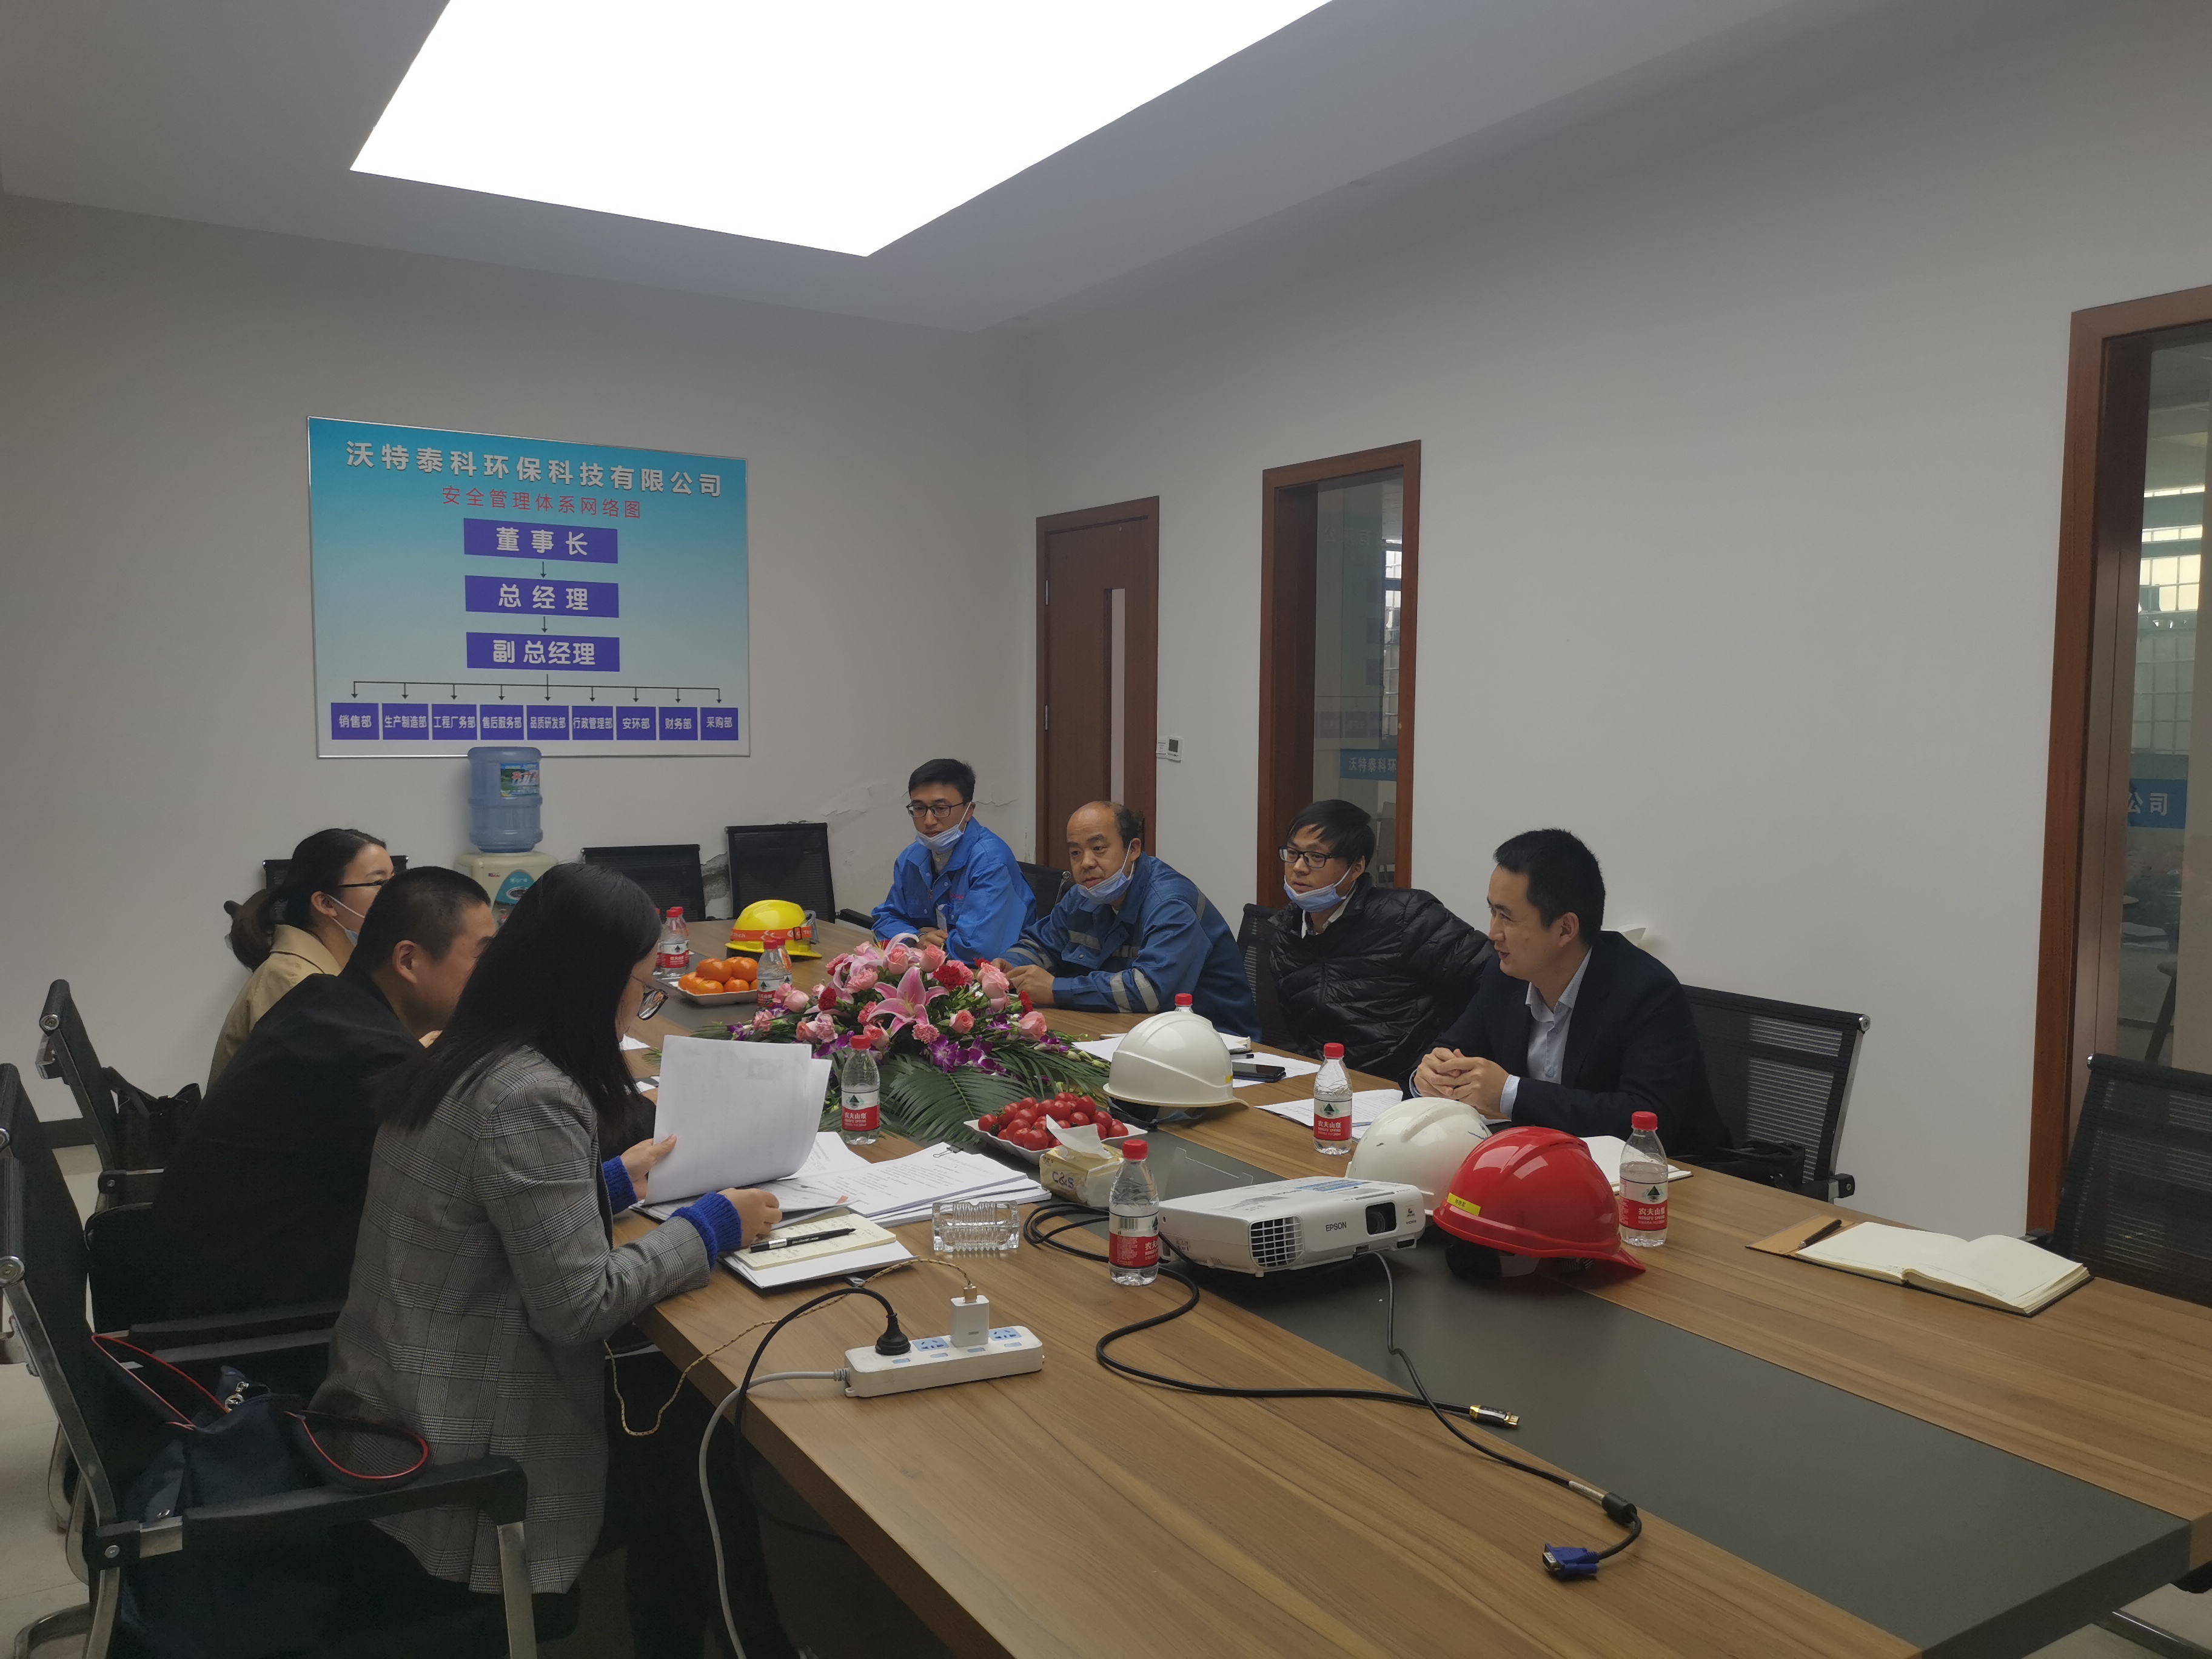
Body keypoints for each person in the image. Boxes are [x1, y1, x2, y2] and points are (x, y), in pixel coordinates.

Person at [314, 862, 794, 1659]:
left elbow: (485, 1210)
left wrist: (609, 1183)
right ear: (591, 983)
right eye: (642, 986)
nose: (641, 1003)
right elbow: (578, 1306)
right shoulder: (531, 1095)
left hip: (393, 1402)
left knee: (675, 1415)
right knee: (698, 1439)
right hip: (459, 1453)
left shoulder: (467, 1052)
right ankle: (750, 1644)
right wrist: (712, 1225)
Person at [153, 866, 498, 1319]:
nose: (494, 976)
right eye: (483, 957)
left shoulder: (326, 1000)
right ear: (409, 961)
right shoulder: (368, 1056)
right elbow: (462, 1195)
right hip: (251, 1319)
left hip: (213, 1274)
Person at [1412, 828, 1729, 1150]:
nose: (1493, 933)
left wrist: (1510, 1093)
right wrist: (1428, 1077)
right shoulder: (1505, 975)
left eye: (1507, 917)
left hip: (1670, 1173)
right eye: (1492, 911)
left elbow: (1647, 1120)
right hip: (1542, 1160)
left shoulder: (1648, 991)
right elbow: (1449, 1050)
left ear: (1565, 929)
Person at [1267, 800, 1492, 1084]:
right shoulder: (1287, 932)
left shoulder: (1407, 916)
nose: (1299, 868)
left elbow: (1495, 975)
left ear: (1356, 867)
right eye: (1293, 854)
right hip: (1327, 1081)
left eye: (1316, 857)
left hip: (1406, 1083)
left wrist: (1446, 1051)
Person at [999, 802, 1261, 1034]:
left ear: (1133, 849)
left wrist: (1057, 990)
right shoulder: (1084, 895)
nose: (1086, 863)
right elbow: (1042, 944)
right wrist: (1009, 967)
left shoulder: (1170, 903)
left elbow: (1151, 991)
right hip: (1128, 1030)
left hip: (1217, 1042)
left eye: (1098, 848)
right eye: (1076, 853)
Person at [209, 828, 393, 1087]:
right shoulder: (293, 981)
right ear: (326, 903)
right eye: (379, 884)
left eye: (395, 881)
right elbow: (342, 1081)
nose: (397, 896)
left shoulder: (340, 970)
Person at [871, 757, 1035, 960]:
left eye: (941, 809)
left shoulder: (990, 861)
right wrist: (917, 937)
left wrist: (928, 944)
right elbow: (885, 920)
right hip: (931, 967)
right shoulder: (911, 858)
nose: (928, 821)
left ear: (969, 811)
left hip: (998, 973)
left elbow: (978, 949)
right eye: (919, 808)